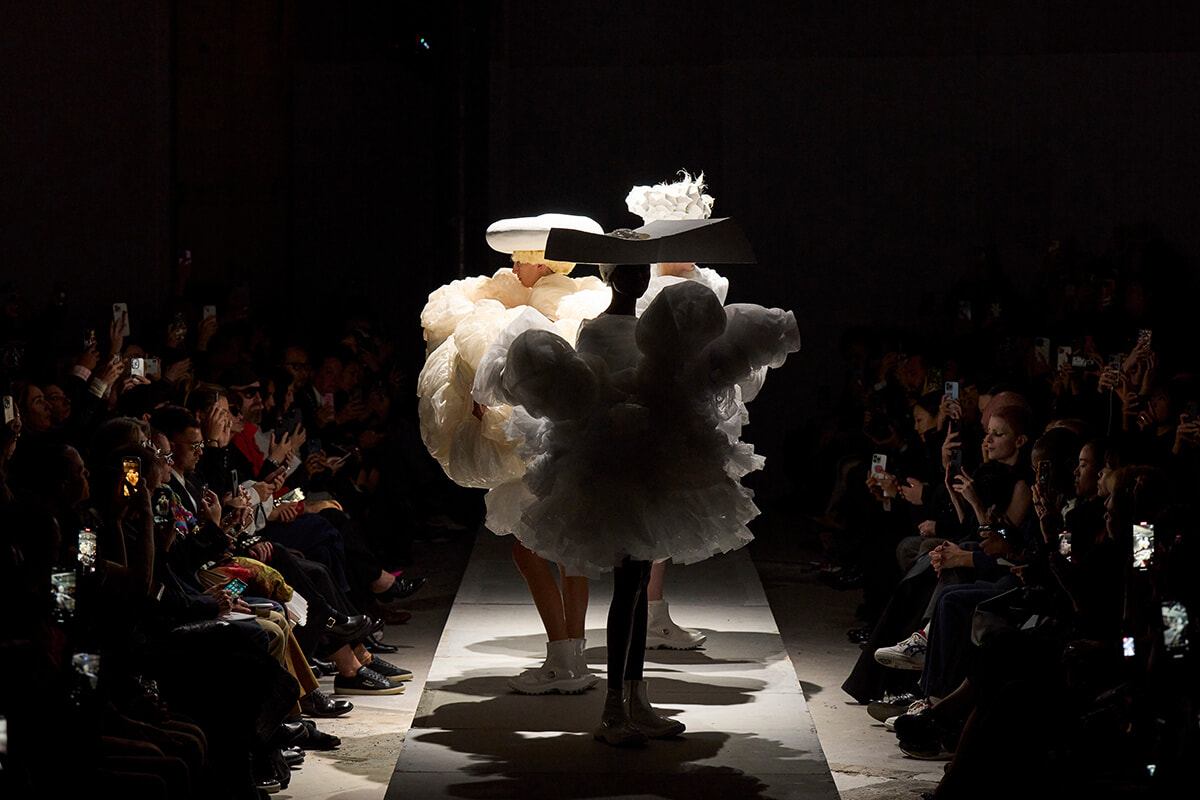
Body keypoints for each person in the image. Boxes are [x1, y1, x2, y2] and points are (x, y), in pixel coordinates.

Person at [483, 232, 799, 745]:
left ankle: (634, 698)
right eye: (623, 267)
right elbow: (590, 396)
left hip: (651, 464)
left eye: (638, 268)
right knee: (628, 588)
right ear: (610, 274)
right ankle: (615, 708)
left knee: (634, 582)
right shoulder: (597, 328)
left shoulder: (657, 328)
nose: (632, 274)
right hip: (612, 468)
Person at [418, 213, 609, 694]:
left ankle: (564, 656)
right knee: (566, 548)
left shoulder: (537, 310)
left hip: (531, 444)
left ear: (538, 264)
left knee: (529, 549)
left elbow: (497, 385)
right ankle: (572, 656)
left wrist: (489, 417)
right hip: (567, 442)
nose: (511, 269)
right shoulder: (575, 301)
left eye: (520, 262)